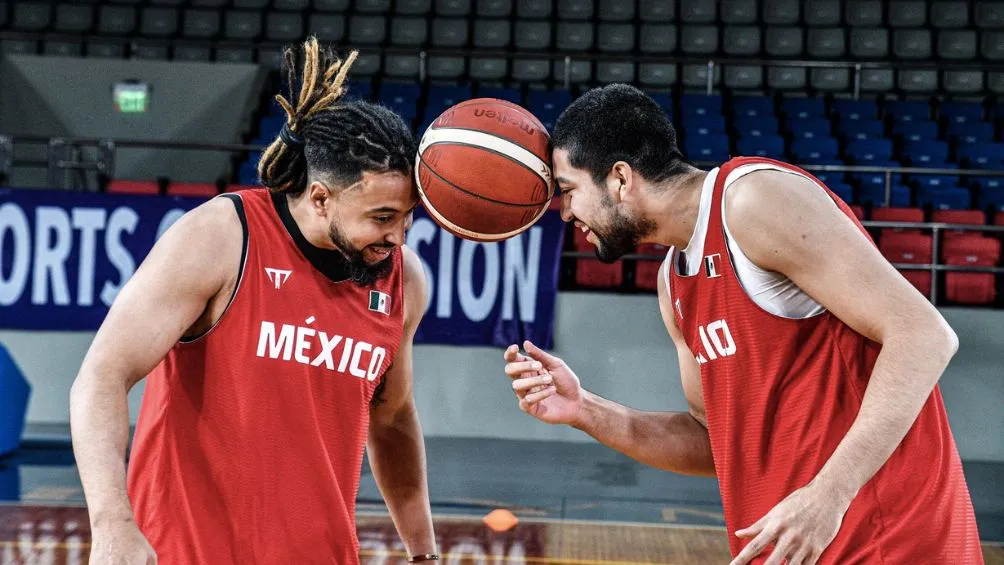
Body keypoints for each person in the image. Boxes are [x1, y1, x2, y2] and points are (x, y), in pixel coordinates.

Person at [503, 84, 982, 565]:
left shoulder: (753, 199)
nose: (564, 212)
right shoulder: (675, 280)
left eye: (568, 191)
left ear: (621, 179)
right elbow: (713, 441)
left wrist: (829, 494)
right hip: (790, 548)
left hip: (887, 541)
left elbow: (923, 335)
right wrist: (586, 409)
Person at [69, 39, 439, 565]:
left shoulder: (406, 281)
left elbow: (393, 418)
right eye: (382, 218)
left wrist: (423, 553)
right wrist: (111, 525)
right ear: (320, 197)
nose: (398, 237)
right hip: (184, 552)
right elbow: (102, 377)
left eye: (407, 218)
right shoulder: (222, 237)